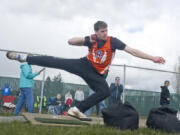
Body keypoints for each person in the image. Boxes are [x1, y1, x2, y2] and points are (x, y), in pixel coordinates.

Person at [6, 21, 165, 119]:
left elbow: (132, 51)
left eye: (106, 31)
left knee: (105, 92)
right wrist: (87, 38)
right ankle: (25, 58)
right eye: (102, 31)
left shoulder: (113, 41)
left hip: (97, 75)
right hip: (84, 65)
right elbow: (70, 41)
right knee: (57, 62)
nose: (105, 33)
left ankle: (77, 109)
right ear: (96, 31)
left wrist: (152, 58)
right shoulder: (92, 39)